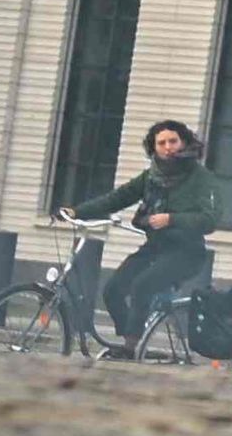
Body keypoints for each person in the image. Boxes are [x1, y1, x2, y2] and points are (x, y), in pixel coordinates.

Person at [92, 119, 218, 347]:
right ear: (154, 148)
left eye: (173, 141)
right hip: (155, 248)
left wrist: (172, 218)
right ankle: (129, 336)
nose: (168, 147)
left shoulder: (200, 177)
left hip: (187, 252)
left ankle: (132, 347)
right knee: (112, 290)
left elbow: (210, 220)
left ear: (184, 143)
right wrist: (74, 211)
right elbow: (116, 199)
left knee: (142, 286)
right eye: (161, 143)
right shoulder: (150, 177)